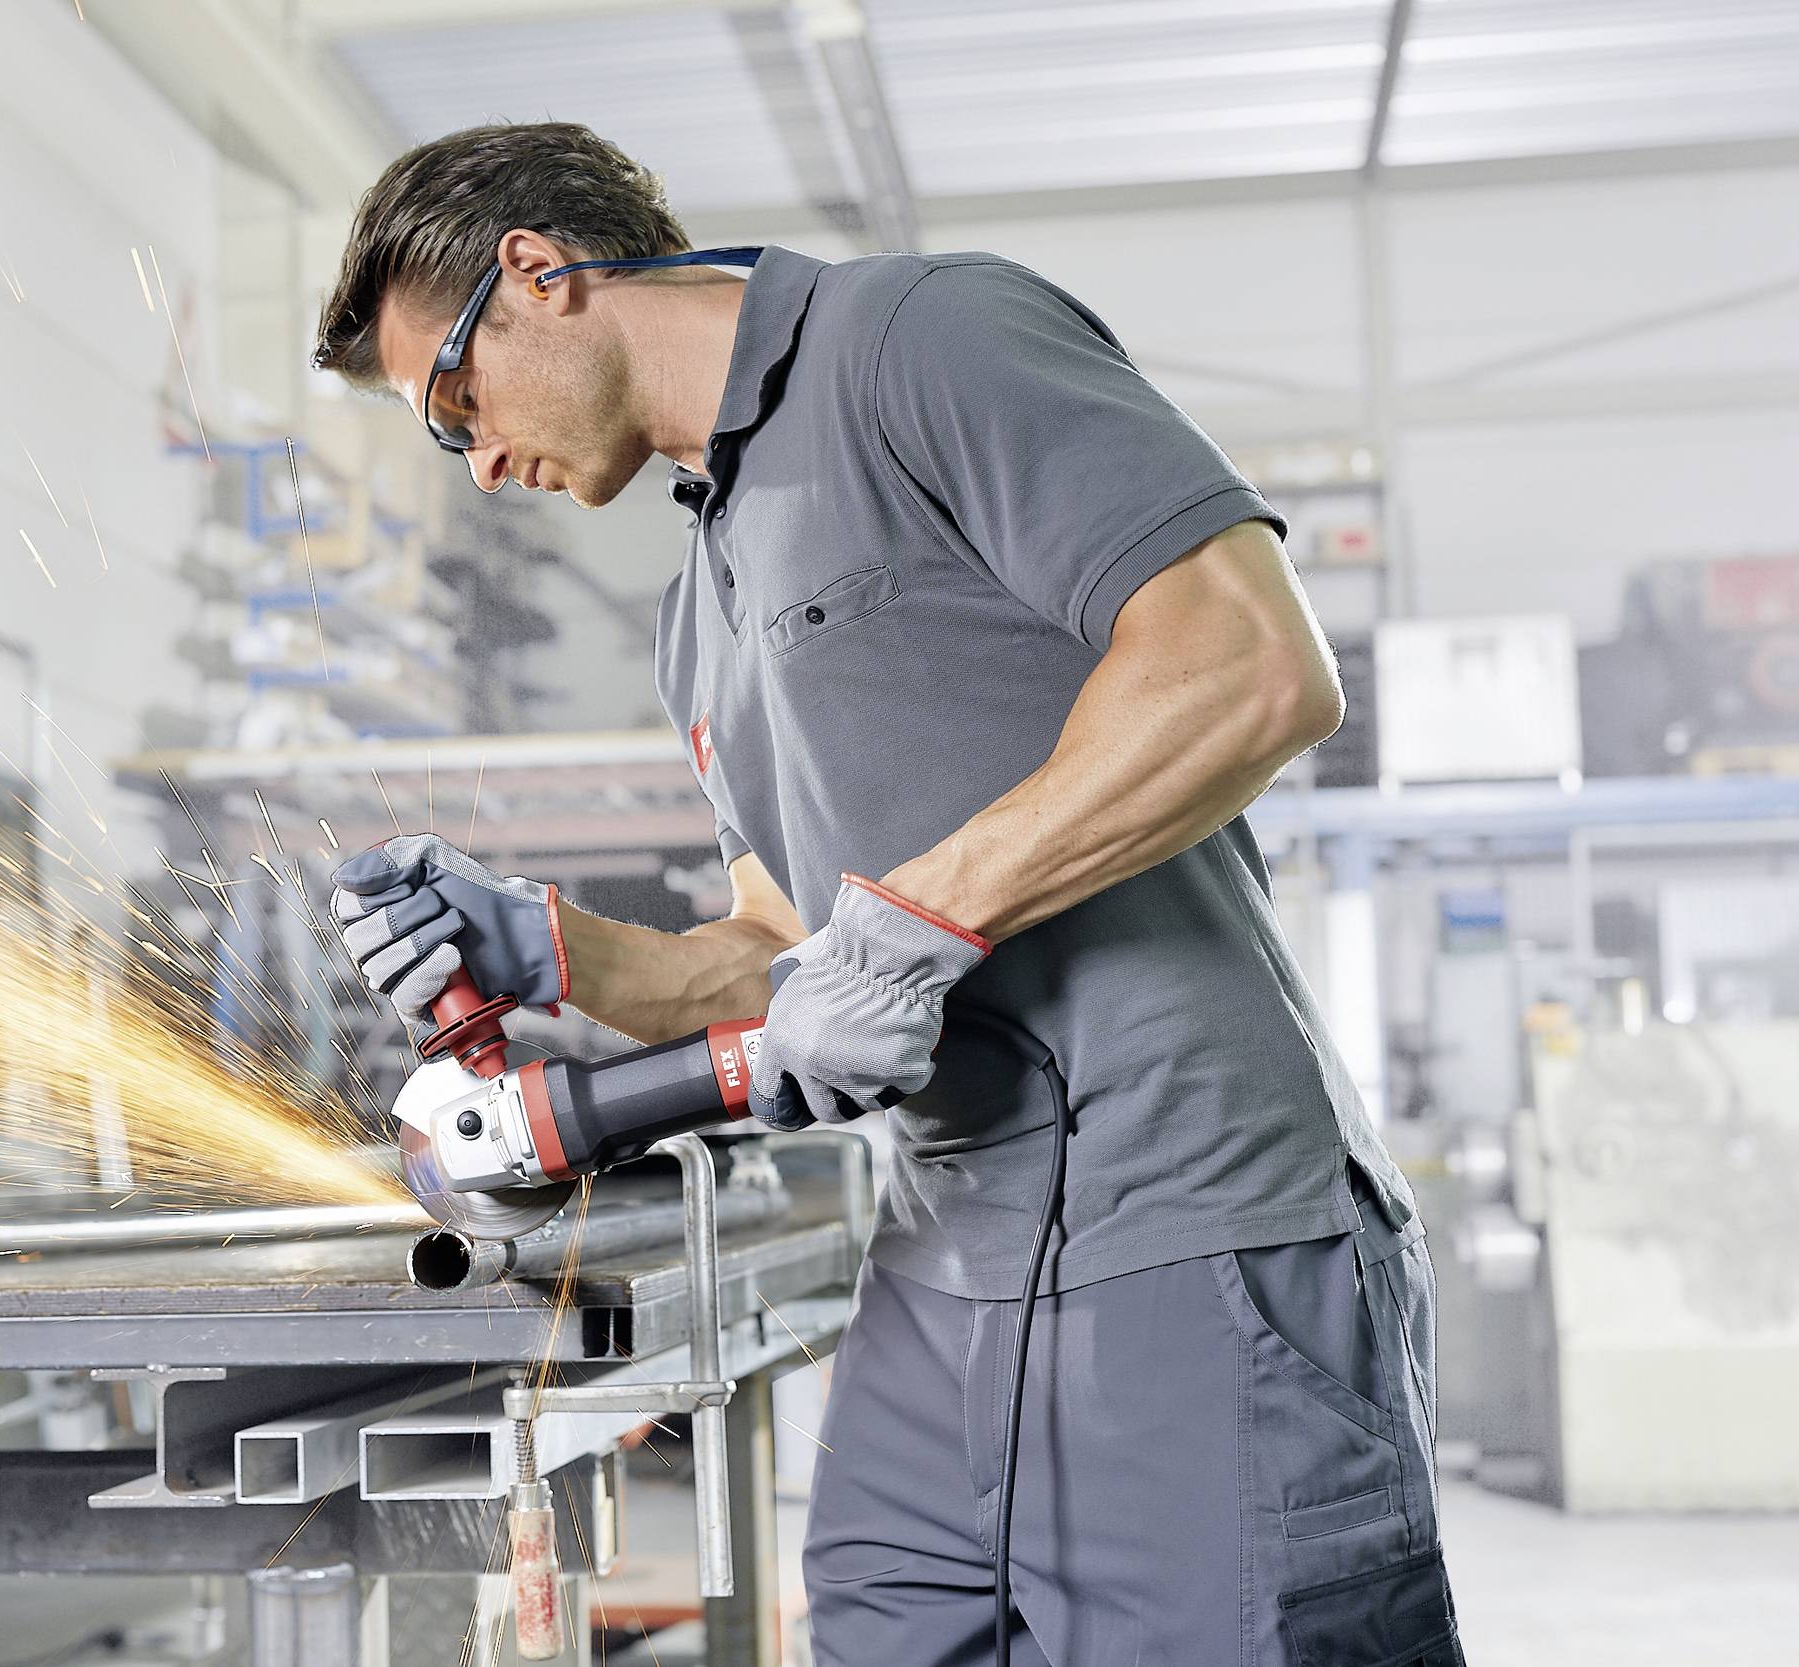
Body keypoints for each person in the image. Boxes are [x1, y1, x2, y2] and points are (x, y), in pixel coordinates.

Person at [315, 122, 1463, 1667]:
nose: (478, 461)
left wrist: (923, 919)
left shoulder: (921, 341)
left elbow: (1248, 664)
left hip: (1194, 1226)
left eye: (457, 400)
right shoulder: (696, 613)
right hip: (946, 1258)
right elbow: (787, 959)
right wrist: (550, 949)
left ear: (542, 273)